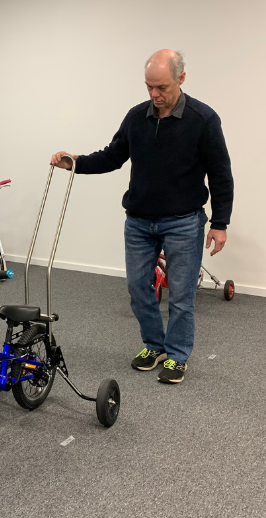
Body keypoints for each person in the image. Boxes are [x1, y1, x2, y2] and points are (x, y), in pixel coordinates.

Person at [50, 49, 234, 384]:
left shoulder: (203, 119)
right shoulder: (137, 117)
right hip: (138, 222)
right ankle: (154, 345)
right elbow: (112, 156)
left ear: (181, 79)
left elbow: (221, 174)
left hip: (183, 221)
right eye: (149, 87)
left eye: (161, 87)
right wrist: (74, 162)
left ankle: (177, 355)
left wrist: (220, 223)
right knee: (138, 288)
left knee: (180, 294)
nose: (154, 94)